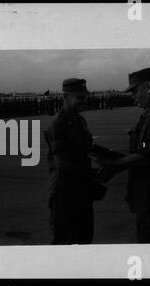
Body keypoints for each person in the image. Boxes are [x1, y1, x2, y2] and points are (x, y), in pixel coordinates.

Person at [94, 67, 150, 243]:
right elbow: (148, 150)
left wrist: (113, 164)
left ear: (149, 87)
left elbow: (145, 155)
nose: (133, 96)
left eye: (135, 91)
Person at [44, 78, 96, 244]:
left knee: (84, 240)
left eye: (84, 97)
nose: (83, 101)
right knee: (64, 242)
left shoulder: (80, 121)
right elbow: (63, 164)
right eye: (79, 97)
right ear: (65, 97)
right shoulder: (57, 124)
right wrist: (94, 172)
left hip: (82, 191)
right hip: (64, 193)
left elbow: (87, 149)